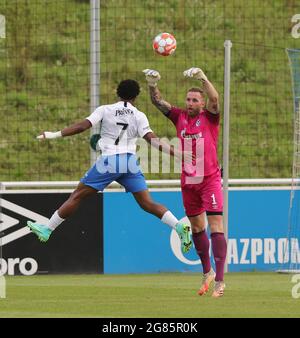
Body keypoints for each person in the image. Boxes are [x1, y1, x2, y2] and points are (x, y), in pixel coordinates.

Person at [27, 79, 192, 254]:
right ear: (136, 96)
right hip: (129, 162)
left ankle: (48, 229)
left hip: (110, 161)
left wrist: (53, 135)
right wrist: (178, 153)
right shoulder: (139, 115)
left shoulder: (105, 110)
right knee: (147, 203)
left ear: (117, 92)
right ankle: (179, 226)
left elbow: (82, 126)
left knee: (76, 196)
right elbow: (153, 140)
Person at [143, 68, 227, 298]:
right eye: (188, 100)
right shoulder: (179, 116)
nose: (190, 103)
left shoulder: (209, 117)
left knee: (216, 225)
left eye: (194, 100)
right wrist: (152, 84)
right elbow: (158, 102)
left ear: (202, 104)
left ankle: (220, 281)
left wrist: (203, 78)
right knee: (198, 228)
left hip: (209, 179)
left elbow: (215, 98)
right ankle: (207, 272)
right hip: (189, 180)